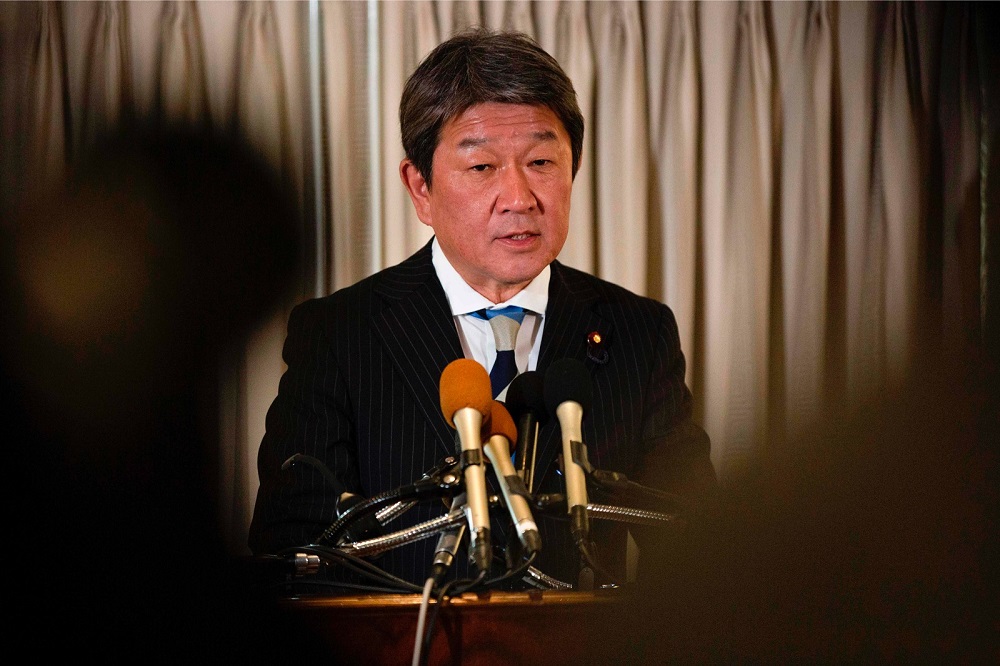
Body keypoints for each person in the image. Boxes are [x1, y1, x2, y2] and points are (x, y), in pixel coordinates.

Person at [249, 28, 717, 589]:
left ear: (574, 169)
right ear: (419, 187)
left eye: (542, 161)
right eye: (482, 168)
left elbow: (699, 551)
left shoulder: (638, 333)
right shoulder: (340, 334)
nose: (520, 198)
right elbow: (290, 561)